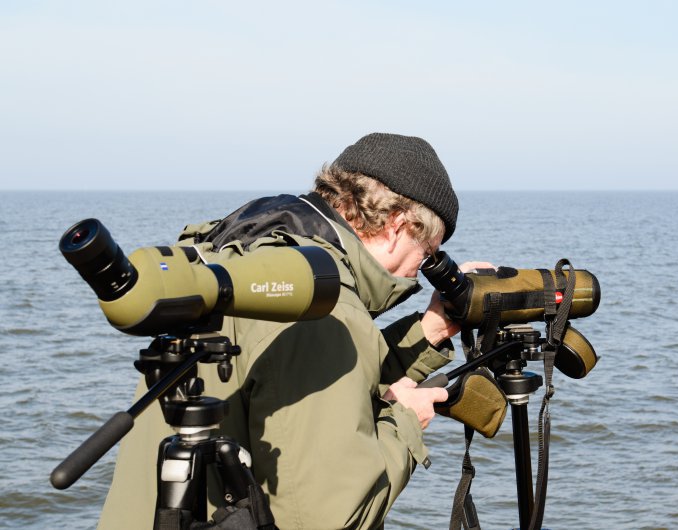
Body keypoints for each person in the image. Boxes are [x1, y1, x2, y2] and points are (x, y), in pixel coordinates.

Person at [97, 132, 479, 529]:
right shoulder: (320, 304)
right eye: (427, 254)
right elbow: (330, 517)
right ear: (398, 225)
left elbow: (310, 384)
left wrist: (429, 331)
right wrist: (405, 422)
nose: (420, 272)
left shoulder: (250, 259)